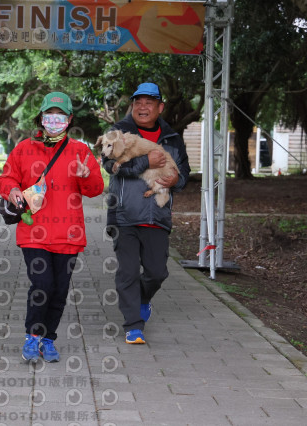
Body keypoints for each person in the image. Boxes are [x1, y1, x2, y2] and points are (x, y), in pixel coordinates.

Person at [0, 92, 104, 362]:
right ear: (41, 118)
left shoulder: (80, 151)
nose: (54, 120)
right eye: (49, 115)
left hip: (69, 234)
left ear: (69, 119)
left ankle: (48, 339)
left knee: (59, 290)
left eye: (60, 115)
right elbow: (6, 178)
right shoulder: (24, 148)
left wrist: (86, 175)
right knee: (42, 284)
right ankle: (33, 336)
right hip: (33, 232)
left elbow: (95, 189)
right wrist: (12, 190)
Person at [102, 82, 190, 345]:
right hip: (124, 216)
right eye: (138, 102)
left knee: (157, 272)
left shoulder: (172, 138)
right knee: (128, 272)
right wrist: (145, 162)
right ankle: (133, 326)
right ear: (132, 106)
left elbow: (184, 175)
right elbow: (110, 165)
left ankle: (141, 299)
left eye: (149, 102)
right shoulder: (118, 132)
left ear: (160, 107)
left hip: (157, 216)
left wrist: (176, 180)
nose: (142, 107)